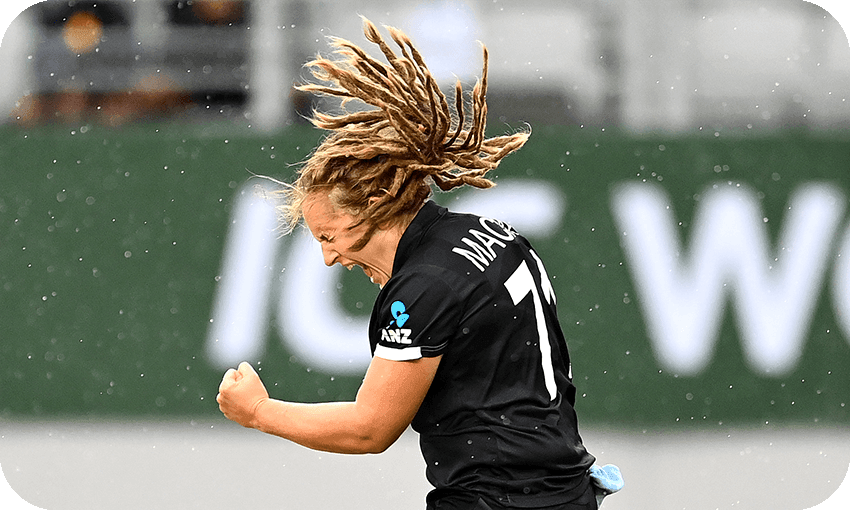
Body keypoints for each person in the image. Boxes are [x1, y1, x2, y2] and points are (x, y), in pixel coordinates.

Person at [216, 18, 600, 510]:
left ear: (377, 202)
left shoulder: (424, 286)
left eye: (329, 236)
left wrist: (259, 412)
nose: (329, 258)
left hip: (500, 499)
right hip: (563, 492)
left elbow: (369, 430)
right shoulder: (490, 233)